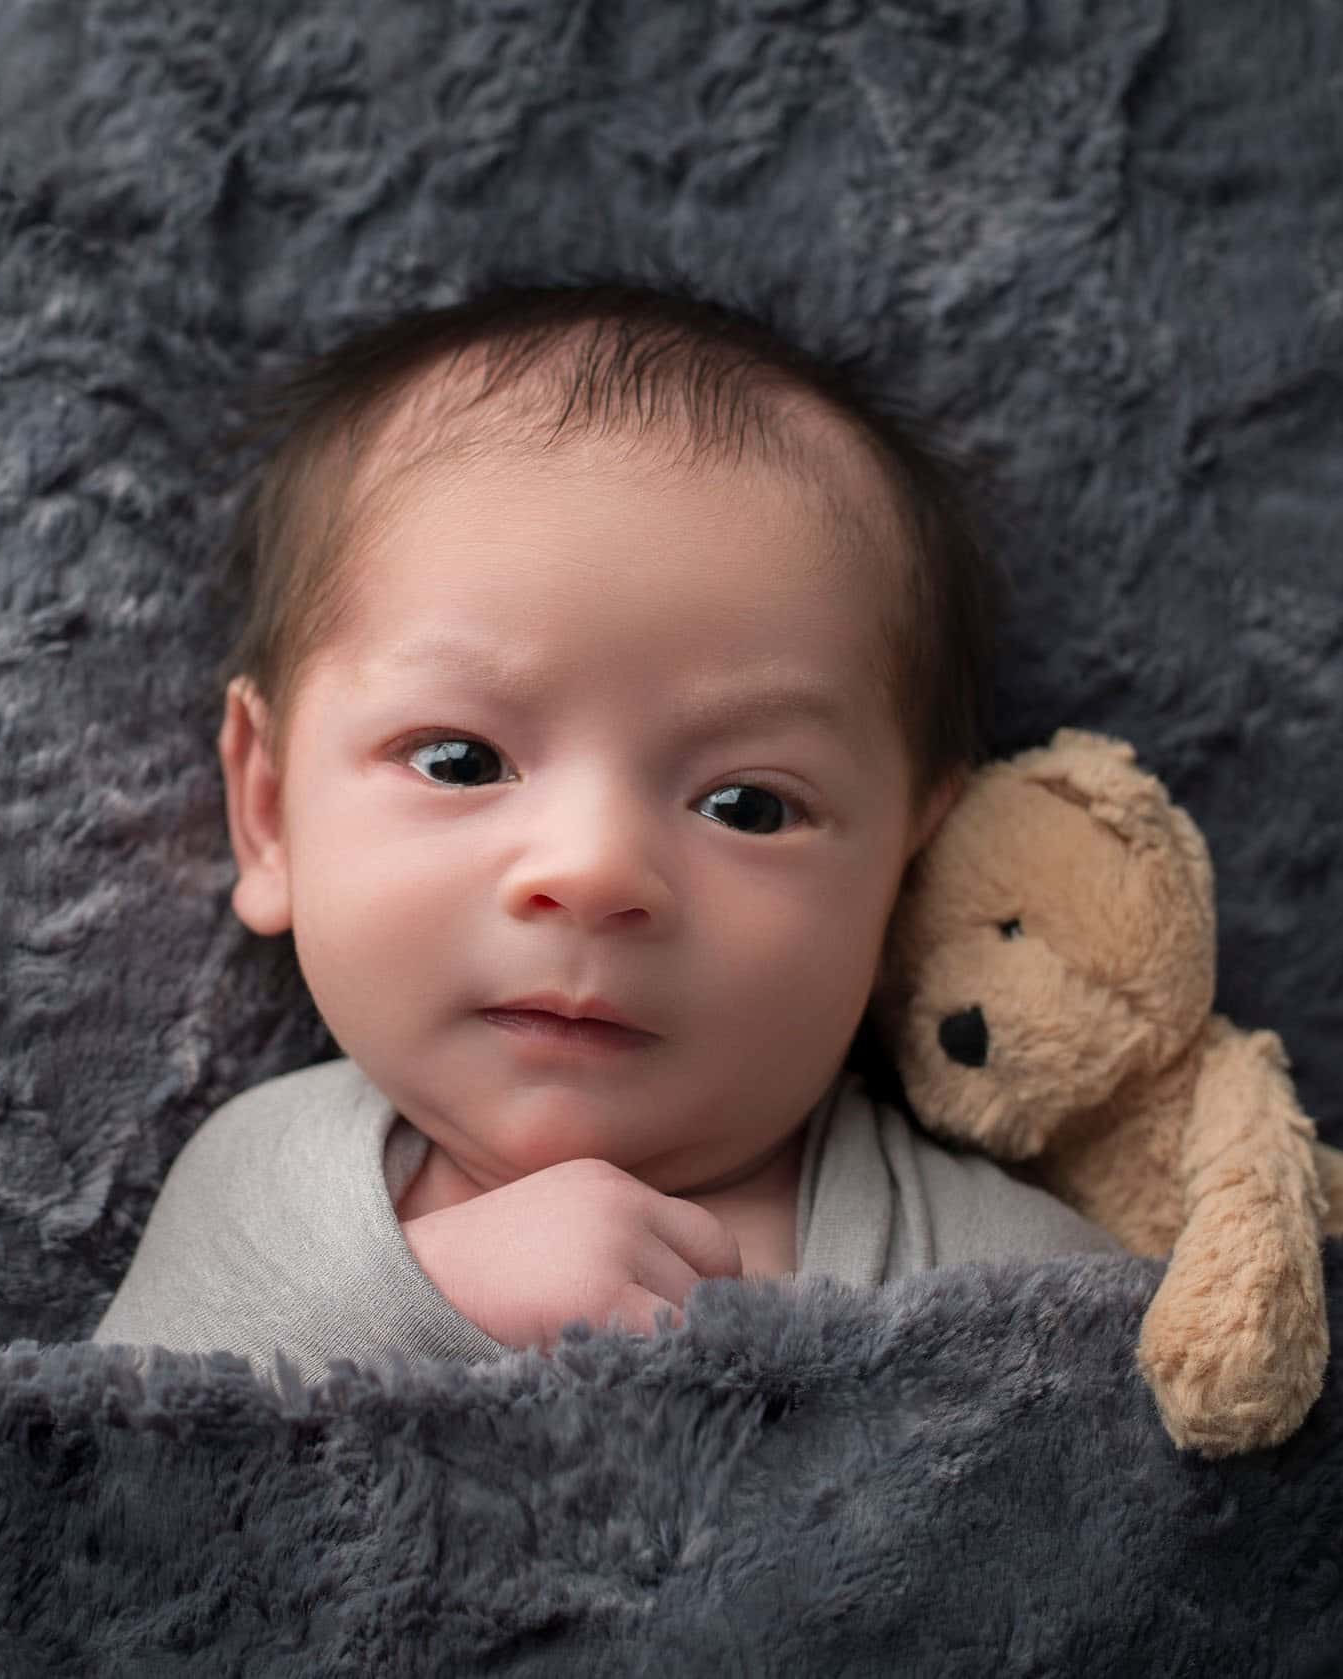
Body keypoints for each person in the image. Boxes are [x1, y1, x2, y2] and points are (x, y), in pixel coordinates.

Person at [92, 277, 1124, 1390]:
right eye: (459, 759)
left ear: (907, 871)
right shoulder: (261, 1190)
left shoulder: (1014, 1283)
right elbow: (106, 1495)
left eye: (748, 804)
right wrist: (426, 1298)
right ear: (266, 810)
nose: (592, 871)